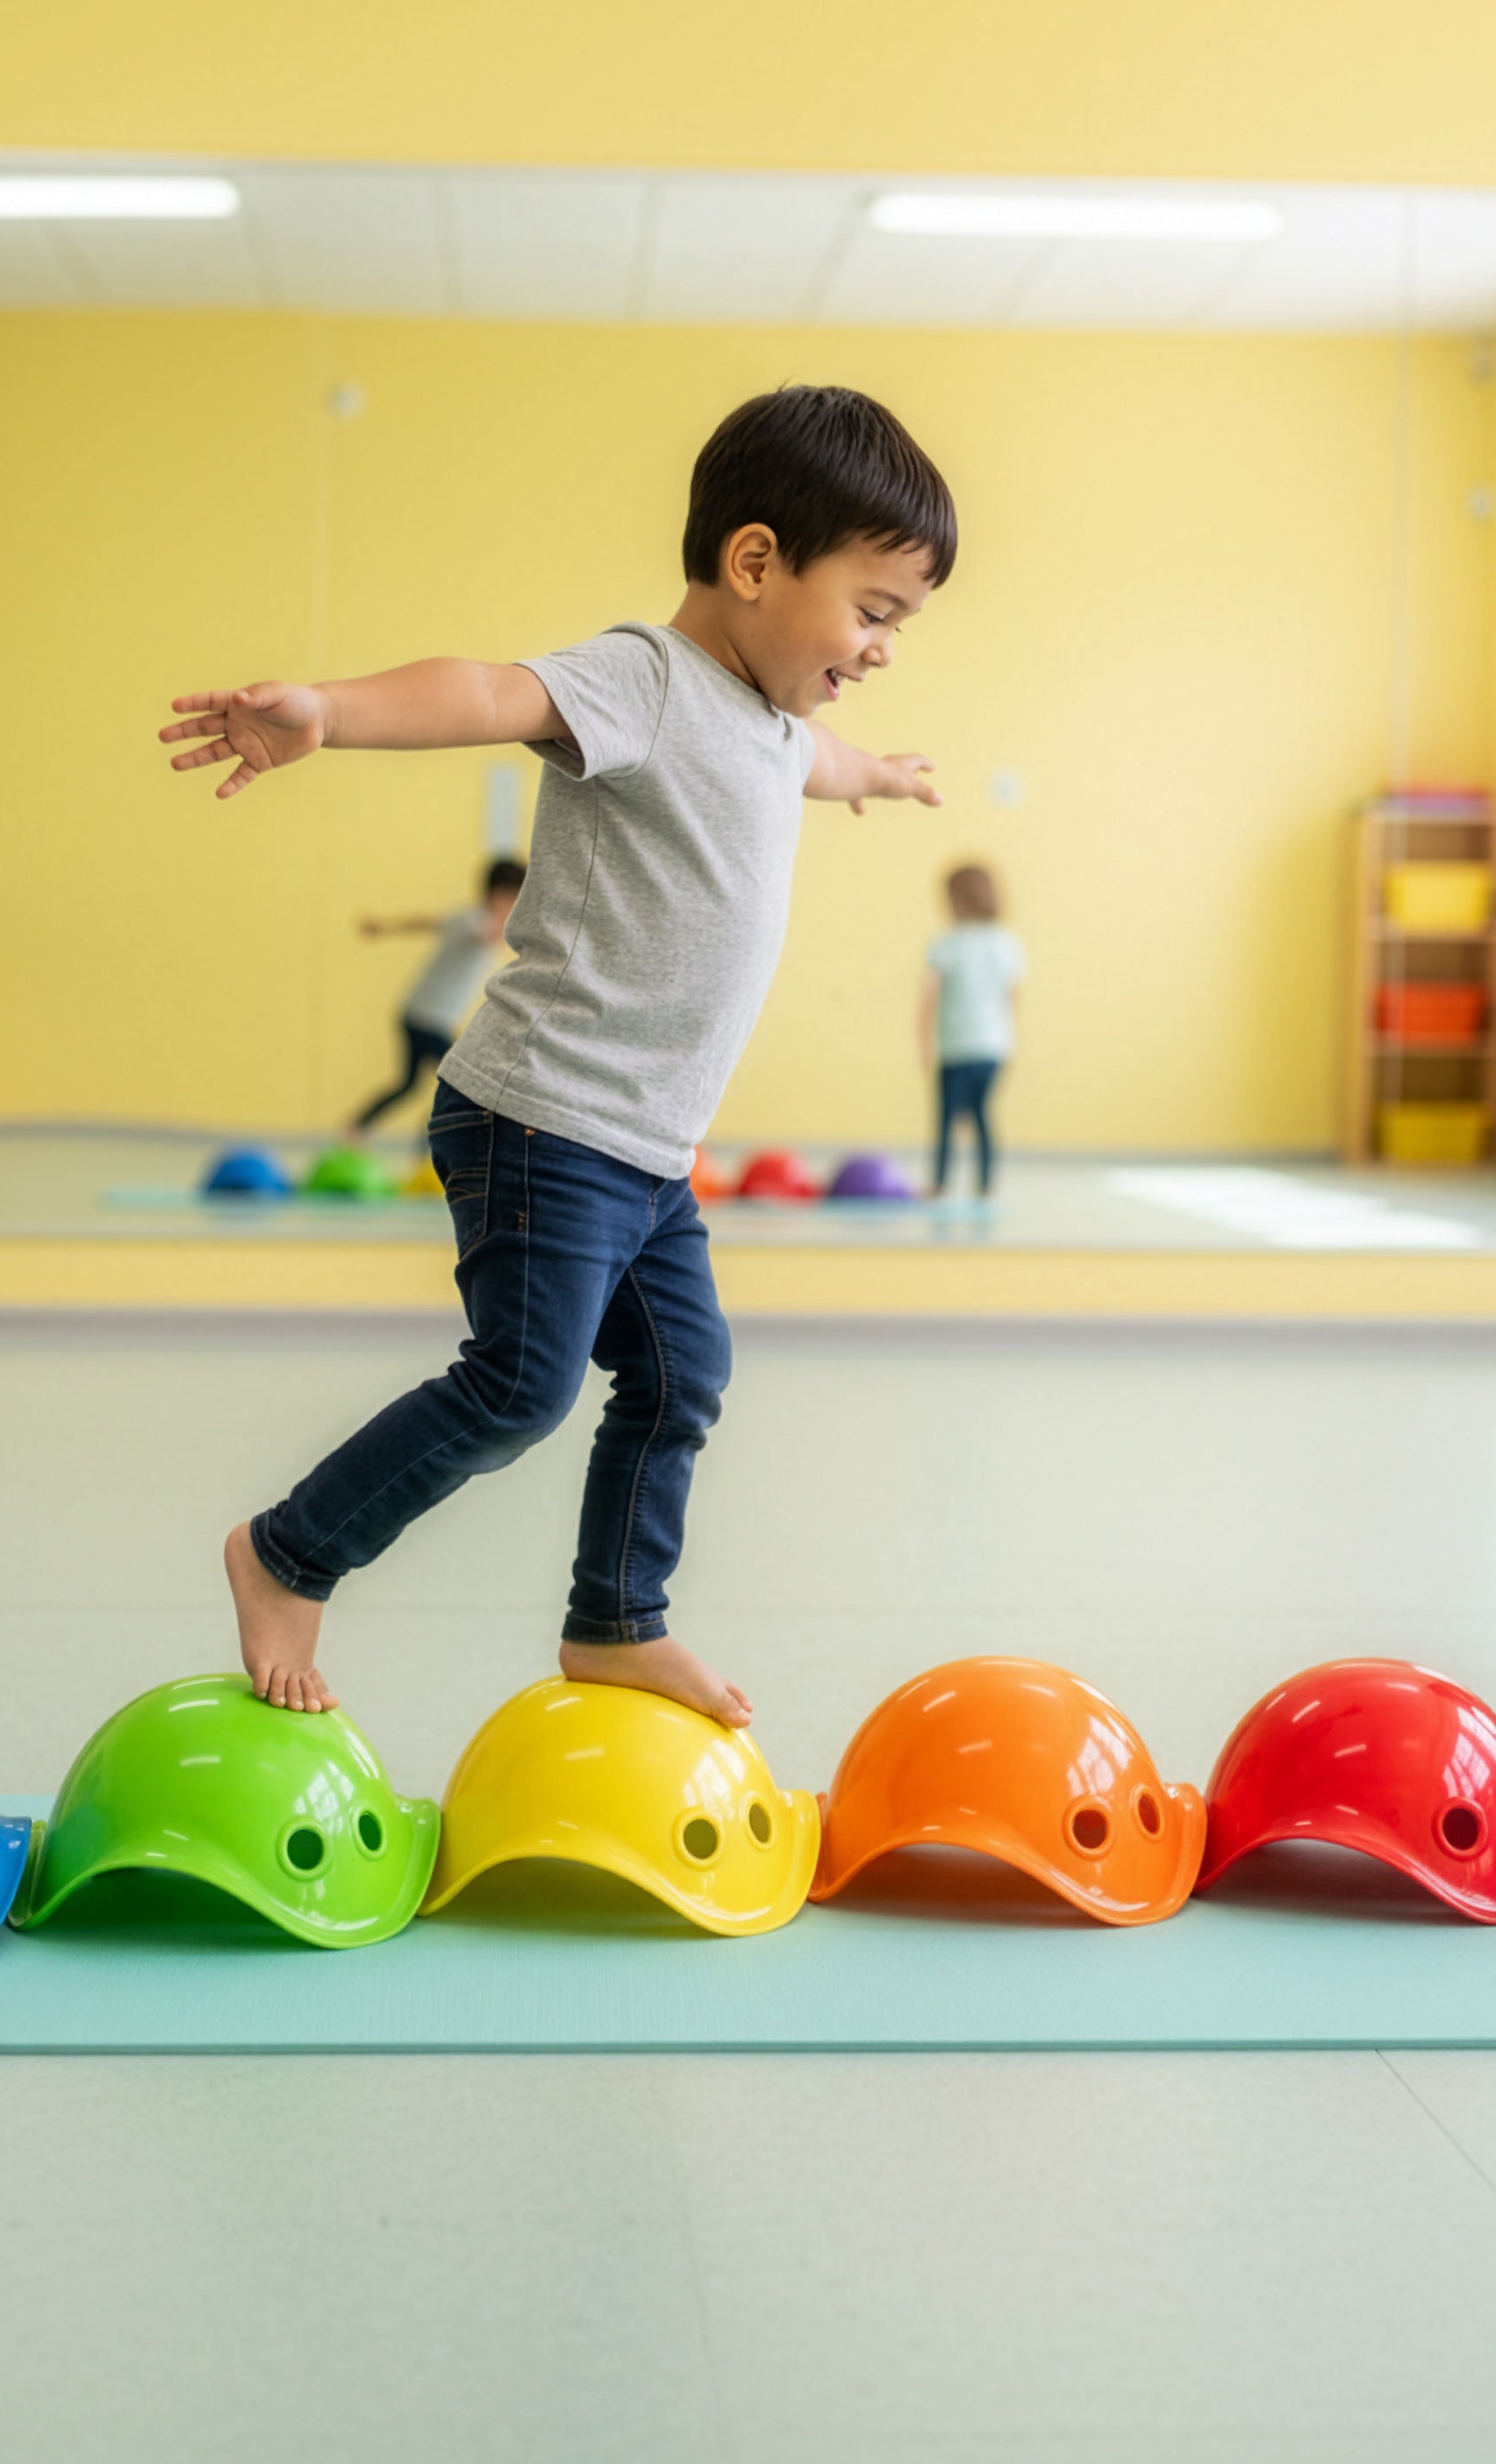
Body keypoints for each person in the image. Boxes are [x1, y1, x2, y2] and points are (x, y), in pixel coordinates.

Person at [160, 384, 955, 1720]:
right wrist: (329, 710)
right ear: (756, 561)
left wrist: (877, 774)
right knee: (523, 1386)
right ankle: (287, 1553)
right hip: (543, 1117)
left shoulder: (772, 725)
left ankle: (617, 1622)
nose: (881, 648)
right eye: (872, 611)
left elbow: (814, 758)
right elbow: (487, 690)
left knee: (683, 1378)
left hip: (643, 1150)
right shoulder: (645, 681)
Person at [348, 858, 525, 1132]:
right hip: (428, 1018)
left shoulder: (464, 917)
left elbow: (425, 922)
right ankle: (427, 1137)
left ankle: (356, 1128)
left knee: (410, 1085)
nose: (517, 906)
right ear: (498, 895)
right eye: (514, 898)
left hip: (420, 1012)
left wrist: (384, 927)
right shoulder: (475, 921)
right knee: (461, 1080)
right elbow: (491, 935)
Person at [921, 862, 1023, 1202]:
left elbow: (928, 999)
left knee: (948, 1118)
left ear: (956, 899)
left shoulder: (946, 944)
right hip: (992, 1046)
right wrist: (1009, 1043)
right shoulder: (1005, 943)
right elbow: (1012, 998)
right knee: (981, 1115)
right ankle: (986, 1184)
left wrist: (925, 1044)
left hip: (955, 1047)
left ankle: (940, 1183)